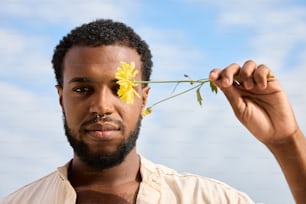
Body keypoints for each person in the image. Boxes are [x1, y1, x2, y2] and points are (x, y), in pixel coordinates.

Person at [1, 19, 305, 204]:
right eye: (82, 89)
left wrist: (286, 140)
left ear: (144, 97)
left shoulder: (208, 199)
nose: (102, 106)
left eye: (121, 88)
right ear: (60, 98)